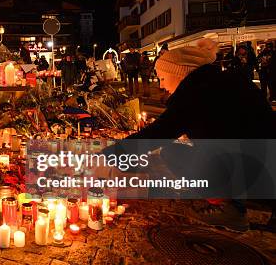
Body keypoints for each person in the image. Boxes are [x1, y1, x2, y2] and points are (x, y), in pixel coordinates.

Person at [106, 39, 275, 232]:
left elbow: (158, 133)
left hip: (252, 171)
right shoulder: (224, 80)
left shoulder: (196, 92)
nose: (162, 86)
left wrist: (109, 155)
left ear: (178, 73)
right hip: (263, 162)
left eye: (162, 78)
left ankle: (230, 209)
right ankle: (229, 198)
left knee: (173, 154)